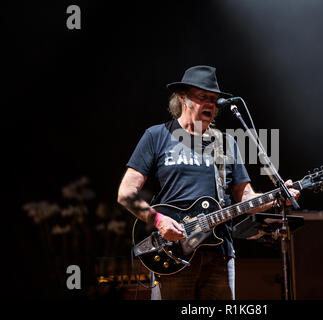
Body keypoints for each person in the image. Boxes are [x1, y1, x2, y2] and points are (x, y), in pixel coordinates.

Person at [117, 65, 299, 300]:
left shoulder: (226, 144)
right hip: (173, 252)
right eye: (202, 97)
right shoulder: (157, 135)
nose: (210, 104)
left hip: (219, 254)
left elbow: (245, 198)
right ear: (183, 98)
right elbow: (126, 192)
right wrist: (159, 220)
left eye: (214, 99)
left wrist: (277, 198)